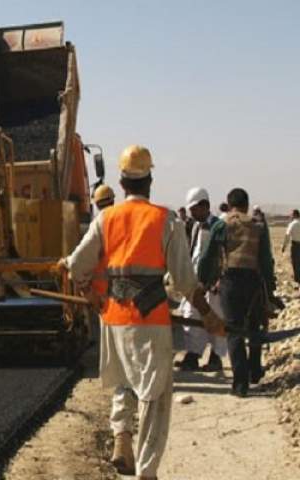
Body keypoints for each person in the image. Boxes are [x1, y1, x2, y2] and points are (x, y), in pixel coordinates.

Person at [61, 145, 220, 479]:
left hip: (113, 319)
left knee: (123, 383)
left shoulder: (106, 218)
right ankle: (147, 472)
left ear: (121, 183)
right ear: (150, 180)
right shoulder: (166, 220)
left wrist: (89, 293)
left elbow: (76, 266)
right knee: (155, 396)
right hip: (150, 320)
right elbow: (185, 281)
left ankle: (122, 437)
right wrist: (207, 313)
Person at [198, 188, 275, 397]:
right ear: (246, 204)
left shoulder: (221, 225)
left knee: (234, 331)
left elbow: (208, 258)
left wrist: (204, 281)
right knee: (255, 326)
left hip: (230, 283)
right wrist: (270, 288)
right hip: (254, 283)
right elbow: (266, 260)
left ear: (229, 204)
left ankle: (240, 384)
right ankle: (255, 370)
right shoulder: (258, 225)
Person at [174, 187, 227, 371]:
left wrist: (215, 280)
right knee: (191, 316)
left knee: (216, 318)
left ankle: (215, 357)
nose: (192, 213)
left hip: (213, 285)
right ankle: (193, 354)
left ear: (205, 206)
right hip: (196, 282)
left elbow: (220, 257)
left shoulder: (217, 227)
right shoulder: (196, 226)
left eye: (194, 209)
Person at [282, 209, 300, 287]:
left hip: (296, 246)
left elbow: (287, 236)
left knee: (296, 262)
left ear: (294, 215)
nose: (290, 216)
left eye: (291, 215)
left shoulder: (292, 224)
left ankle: (298, 280)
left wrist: (284, 246)